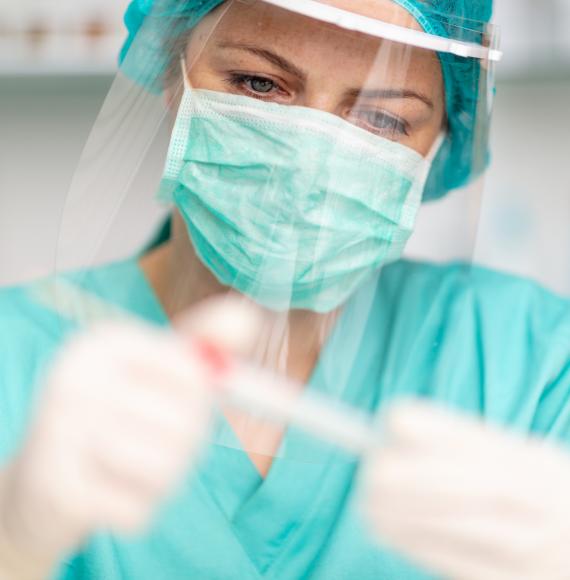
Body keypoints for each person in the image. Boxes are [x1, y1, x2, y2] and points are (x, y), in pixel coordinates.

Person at [0, 0, 568, 579]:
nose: (310, 163)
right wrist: (14, 543)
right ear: (173, 74)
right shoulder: (16, 355)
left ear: (441, 141)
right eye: (259, 84)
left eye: (382, 119)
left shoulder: (534, 368)